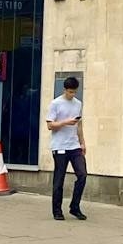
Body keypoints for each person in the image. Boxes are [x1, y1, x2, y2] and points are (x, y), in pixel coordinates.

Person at [46, 76, 86, 221]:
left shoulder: (78, 104)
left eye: (74, 92)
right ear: (65, 90)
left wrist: (82, 142)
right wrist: (65, 122)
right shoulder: (55, 104)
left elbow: (79, 125)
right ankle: (57, 210)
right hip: (60, 146)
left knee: (82, 174)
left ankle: (74, 207)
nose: (72, 95)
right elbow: (50, 125)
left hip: (74, 145)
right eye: (70, 92)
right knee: (59, 179)